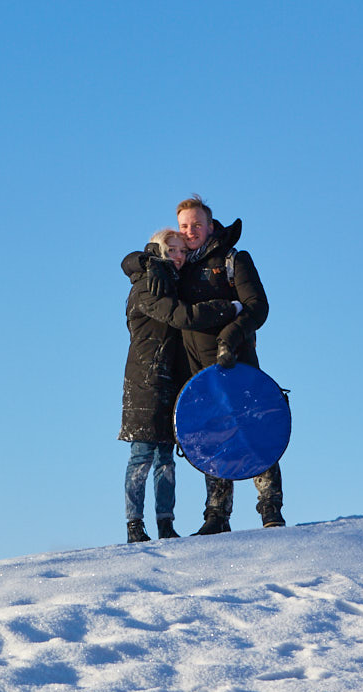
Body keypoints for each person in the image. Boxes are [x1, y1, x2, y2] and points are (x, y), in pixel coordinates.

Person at [120, 228, 241, 543]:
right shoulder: (148, 285)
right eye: (172, 250)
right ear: (158, 250)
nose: (179, 256)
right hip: (145, 382)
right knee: (142, 455)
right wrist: (229, 308)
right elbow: (179, 316)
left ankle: (164, 524)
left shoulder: (170, 281)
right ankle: (135, 525)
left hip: (172, 381)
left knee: (166, 459)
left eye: (182, 252)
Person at [174, 194, 284, 533]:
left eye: (196, 225)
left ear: (210, 226)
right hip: (200, 374)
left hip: (238, 367)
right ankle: (216, 517)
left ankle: (270, 509)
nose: (190, 231)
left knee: (253, 432)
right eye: (184, 226)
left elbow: (258, 307)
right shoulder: (177, 266)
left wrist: (230, 337)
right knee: (212, 440)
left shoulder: (235, 259)